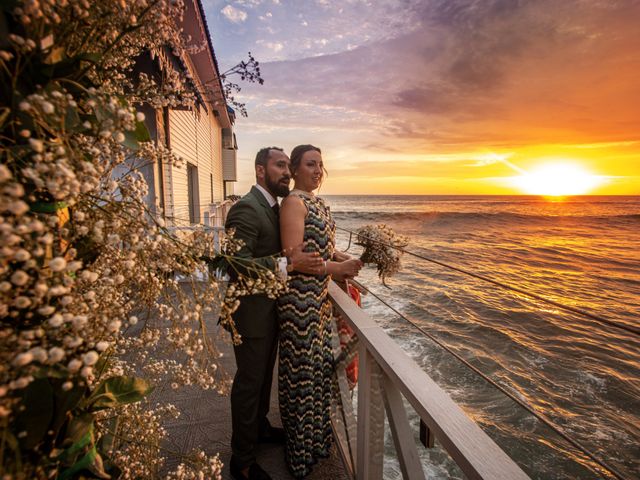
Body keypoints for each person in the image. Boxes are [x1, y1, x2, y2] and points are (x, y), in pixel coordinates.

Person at [225, 147, 324, 480]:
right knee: (249, 385)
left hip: (270, 312)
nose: (286, 171)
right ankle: (242, 461)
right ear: (259, 171)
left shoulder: (274, 207)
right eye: (279, 165)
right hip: (250, 314)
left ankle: (261, 428)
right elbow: (236, 265)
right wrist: (289, 263)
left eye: (286, 166)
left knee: (264, 378)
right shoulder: (246, 209)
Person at [278, 144, 363, 478]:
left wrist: (345, 261)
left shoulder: (320, 203)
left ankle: (315, 445)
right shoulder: (293, 203)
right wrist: (334, 269)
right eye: (310, 164)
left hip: (319, 299)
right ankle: (298, 455)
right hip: (298, 301)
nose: (317, 170)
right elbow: (294, 258)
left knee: (318, 376)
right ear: (295, 169)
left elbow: (325, 249)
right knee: (300, 376)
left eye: (321, 165)